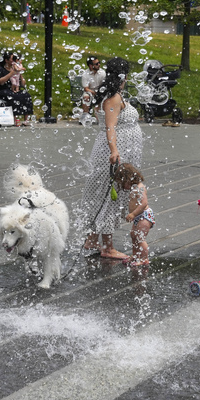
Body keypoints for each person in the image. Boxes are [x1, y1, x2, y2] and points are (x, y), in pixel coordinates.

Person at [78, 57, 144, 260]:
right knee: (108, 197)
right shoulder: (113, 98)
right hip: (114, 153)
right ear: (123, 75)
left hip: (121, 152)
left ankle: (92, 239)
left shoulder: (115, 95)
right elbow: (110, 127)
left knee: (103, 195)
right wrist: (114, 151)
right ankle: (107, 247)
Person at [114, 162, 153, 268]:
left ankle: (144, 259)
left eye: (122, 183)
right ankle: (136, 255)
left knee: (140, 238)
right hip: (139, 216)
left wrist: (133, 214)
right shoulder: (135, 187)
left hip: (144, 215)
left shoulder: (139, 188)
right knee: (134, 235)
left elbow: (144, 203)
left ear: (128, 179)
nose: (122, 187)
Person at [0, 51, 33, 119]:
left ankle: (26, 119)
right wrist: (12, 73)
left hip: (14, 90)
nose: (14, 60)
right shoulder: (1, 69)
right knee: (13, 96)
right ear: (6, 60)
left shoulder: (15, 67)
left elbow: (23, 84)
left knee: (26, 95)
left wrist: (19, 74)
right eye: (12, 58)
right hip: (3, 90)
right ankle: (15, 118)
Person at [80, 56, 106, 124]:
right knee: (86, 97)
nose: (99, 65)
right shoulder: (85, 75)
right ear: (91, 66)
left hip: (100, 91)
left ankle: (101, 116)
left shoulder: (102, 73)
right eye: (97, 64)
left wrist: (99, 93)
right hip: (90, 91)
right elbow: (86, 88)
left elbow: (105, 85)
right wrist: (94, 93)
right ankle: (85, 116)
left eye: (99, 63)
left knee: (104, 98)